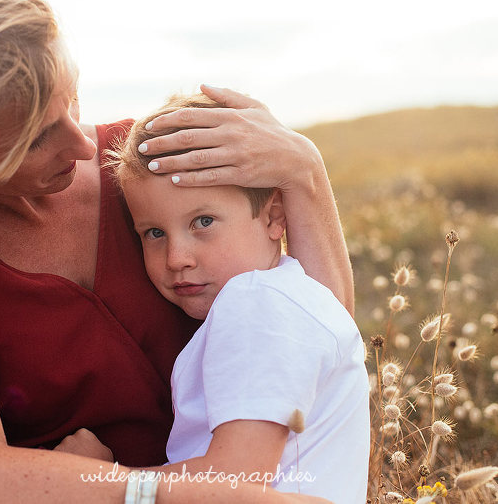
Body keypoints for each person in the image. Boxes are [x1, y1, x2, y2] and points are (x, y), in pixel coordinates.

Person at [0, 0, 354, 501]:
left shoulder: (153, 168)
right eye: (36, 138)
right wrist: (105, 487)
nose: (87, 146)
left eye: (72, 99)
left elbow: (316, 336)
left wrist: (304, 172)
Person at [96, 93, 369, 502]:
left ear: (275, 217)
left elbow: (235, 479)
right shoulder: (287, 298)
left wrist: (98, 480)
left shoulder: (257, 303)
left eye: (203, 222)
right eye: (154, 233)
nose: (177, 258)